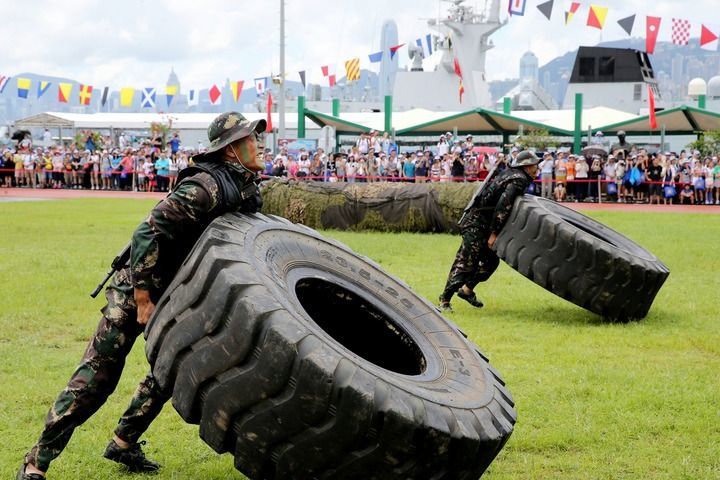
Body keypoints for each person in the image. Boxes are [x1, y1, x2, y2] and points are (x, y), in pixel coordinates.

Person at [17, 112, 267, 480]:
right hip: (138, 286)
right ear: (231, 150)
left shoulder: (245, 187)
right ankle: (36, 463)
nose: (258, 144)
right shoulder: (203, 189)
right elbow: (145, 235)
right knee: (98, 378)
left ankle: (123, 443)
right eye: (251, 139)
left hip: (180, 291)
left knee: (171, 372)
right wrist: (144, 298)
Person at [438, 150, 540, 311]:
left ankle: (466, 290)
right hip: (476, 224)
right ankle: (444, 300)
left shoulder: (512, 175)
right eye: (535, 165)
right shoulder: (518, 179)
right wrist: (493, 234)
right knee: (466, 262)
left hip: (483, 223)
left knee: (490, 262)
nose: (537, 168)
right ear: (526, 166)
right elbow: (503, 207)